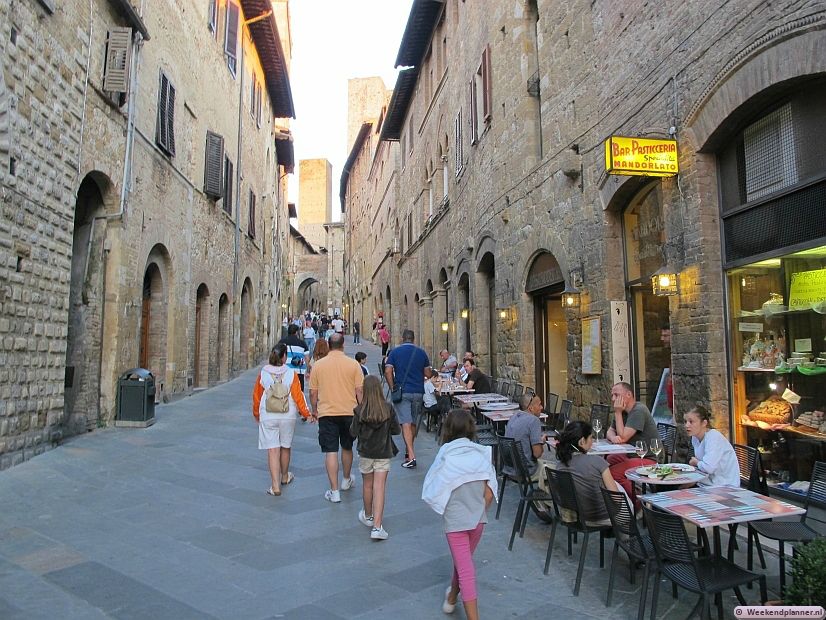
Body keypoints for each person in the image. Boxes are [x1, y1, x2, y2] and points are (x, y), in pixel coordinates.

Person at [422, 409, 497, 620]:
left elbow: (434, 487)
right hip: (477, 520)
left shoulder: (446, 456)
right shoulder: (482, 455)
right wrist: (480, 510)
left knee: (465, 568)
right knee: (463, 562)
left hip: (455, 521)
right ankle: (452, 597)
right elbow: (490, 492)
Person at [309, 334, 365, 503]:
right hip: (349, 412)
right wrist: (361, 409)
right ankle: (346, 480)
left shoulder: (318, 365)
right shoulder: (353, 365)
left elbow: (313, 393)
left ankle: (334, 492)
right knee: (347, 447)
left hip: (327, 413)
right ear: (343, 345)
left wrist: (314, 410)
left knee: (330, 451)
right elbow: (359, 391)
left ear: (329, 345)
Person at [251, 344, 311, 495]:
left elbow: (257, 396)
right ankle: (285, 476)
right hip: (287, 414)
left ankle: (275, 486)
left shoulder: (263, 373)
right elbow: (298, 396)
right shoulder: (291, 373)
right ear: (284, 357)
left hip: (268, 414)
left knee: (272, 450)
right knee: (285, 446)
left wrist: (257, 414)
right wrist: (306, 413)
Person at [350, 375, 401, 540]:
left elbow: (353, 432)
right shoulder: (388, 408)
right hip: (383, 452)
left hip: (365, 452)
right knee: (380, 487)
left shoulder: (360, 410)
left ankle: (368, 515)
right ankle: (377, 527)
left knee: (367, 486)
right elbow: (396, 430)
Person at [556, 420, 626, 525]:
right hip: (603, 516)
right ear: (582, 441)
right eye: (590, 437)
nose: (592, 441)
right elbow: (616, 498)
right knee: (624, 497)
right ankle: (625, 538)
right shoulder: (598, 462)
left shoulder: (560, 466)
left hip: (578, 516)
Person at [605, 382, 658, 503]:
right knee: (607, 463)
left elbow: (623, 437)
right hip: (631, 454)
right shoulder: (623, 411)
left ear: (628, 394)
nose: (613, 399)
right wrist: (613, 438)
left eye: (616, 395)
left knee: (613, 473)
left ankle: (638, 504)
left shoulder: (638, 410)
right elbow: (610, 431)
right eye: (612, 395)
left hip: (648, 456)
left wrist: (617, 413)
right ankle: (623, 494)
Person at [384, 329, 430, 469]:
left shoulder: (395, 352)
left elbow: (387, 370)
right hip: (418, 391)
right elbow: (427, 373)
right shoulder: (421, 353)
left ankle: (411, 456)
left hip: (403, 392)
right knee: (414, 422)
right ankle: (408, 450)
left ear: (402, 338)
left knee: (405, 422)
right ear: (414, 339)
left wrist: (392, 387)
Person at [686, 405, 740, 487]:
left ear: (704, 423)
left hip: (725, 486)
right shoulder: (695, 437)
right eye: (685, 421)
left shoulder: (713, 437)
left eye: (691, 422)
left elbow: (709, 468)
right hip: (706, 483)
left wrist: (696, 462)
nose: (687, 425)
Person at [504, 393, 547, 480]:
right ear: (531, 408)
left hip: (509, 469)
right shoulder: (534, 421)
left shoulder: (513, 416)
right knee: (557, 471)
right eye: (539, 405)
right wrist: (541, 443)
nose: (542, 407)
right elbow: (537, 454)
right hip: (526, 472)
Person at [278, 324, 309, 391]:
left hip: (284, 371)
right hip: (299, 372)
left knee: (284, 392)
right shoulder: (302, 343)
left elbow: (278, 355)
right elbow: (307, 358)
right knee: (299, 392)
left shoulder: (282, 342)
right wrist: (308, 371)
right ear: (296, 332)